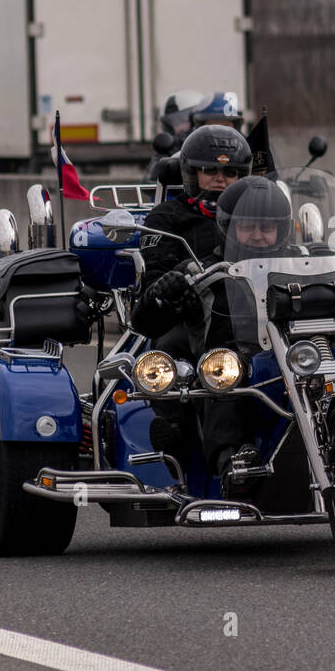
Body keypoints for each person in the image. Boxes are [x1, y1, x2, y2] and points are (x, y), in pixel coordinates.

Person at [130, 124, 252, 470]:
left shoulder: (260, 215)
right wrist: (169, 287)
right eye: (209, 170)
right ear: (190, 173)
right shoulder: (166, 218)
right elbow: (149, 304)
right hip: (191, 317)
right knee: (180, 349)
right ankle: (181, 437)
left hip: (259, 315)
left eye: (230, 172)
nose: (220, 179)